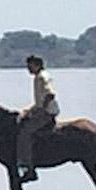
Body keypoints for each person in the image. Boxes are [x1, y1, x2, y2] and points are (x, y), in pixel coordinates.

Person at [17, 55, 59, 183]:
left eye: (30, 66)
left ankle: (29, 168)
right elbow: (38, 102)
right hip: (42, 110)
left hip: (47, 113)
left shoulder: (42, 77)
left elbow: (50, 94)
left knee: (25, 133)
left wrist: (41, 110)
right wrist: (27, 111)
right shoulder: (38, 77)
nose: (28, 69)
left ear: (37, 65)